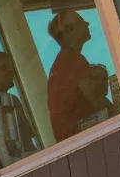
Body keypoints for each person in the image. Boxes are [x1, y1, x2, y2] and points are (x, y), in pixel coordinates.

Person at [46, 9, 114, 141]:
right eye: (81, 22)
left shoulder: (61, 62)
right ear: (68, 30)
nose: (87, 24)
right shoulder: (72, 59)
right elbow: (95, 98)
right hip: (80, 139)